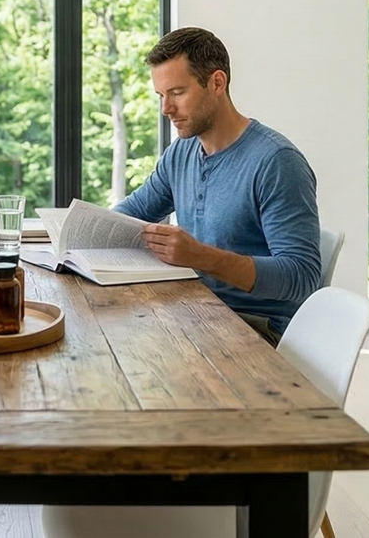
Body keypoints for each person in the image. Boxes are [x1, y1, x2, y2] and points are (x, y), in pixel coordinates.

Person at [116, 27, 321, 345]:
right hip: (197, 313)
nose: (165, 109)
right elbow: (130, 216)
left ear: (216, 83)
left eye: (177, 93)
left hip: (258, 331)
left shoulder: (276, 161)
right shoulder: (181, 153)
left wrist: (202, 257)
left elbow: (302, 276)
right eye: (161, 96)